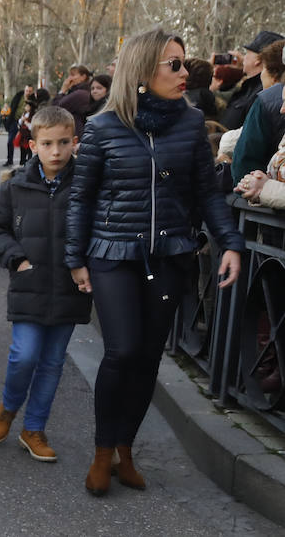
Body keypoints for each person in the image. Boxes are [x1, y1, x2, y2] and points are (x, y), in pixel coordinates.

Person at [66, 28, 244, 496]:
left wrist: (230, 243)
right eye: (175, 64)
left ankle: (126, 449)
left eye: (184, 63)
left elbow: (208, 193)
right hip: (112, 253)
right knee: (122, 350)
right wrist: (75, 258)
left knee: (146, 359)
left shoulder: (190, 124)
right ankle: (102, 453)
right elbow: (81, 199)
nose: (185, 73)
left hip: (169, 254)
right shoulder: (103, 127)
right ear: (143, 72)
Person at [0, 105, 89, 462]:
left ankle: (34, 428)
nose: (56, 151)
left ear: (75, 142)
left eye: (63, 143)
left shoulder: (86, 185)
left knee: (53, 362)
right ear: (32, 145)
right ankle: (9, 408)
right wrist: (17, 258)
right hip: (29, 284)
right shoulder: (16, 187)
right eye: (47, 144)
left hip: (69, 289)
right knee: (24, 355)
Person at [230, 39, 285, 181]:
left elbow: (243, 163)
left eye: (264, 69)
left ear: (273, 74)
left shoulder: (265, 101)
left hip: (259, 193)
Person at [221, 30, 283, 130]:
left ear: (258, 60)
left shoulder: (260, 91)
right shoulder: (249, 86)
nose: (243, 57)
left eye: (247, 53)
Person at [55, 65, 96, 134]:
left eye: (73, 75)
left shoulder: (80, 94)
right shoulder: (81, 91)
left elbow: (56, 108)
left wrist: (63, 90)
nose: (69, 78)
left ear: (83, 77)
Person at [4, 86, 33, 167]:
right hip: (15, 121)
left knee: (26, 145)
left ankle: (26, 162)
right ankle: (9, 160)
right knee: (10, 141)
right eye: (27, 90)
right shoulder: (19, 97)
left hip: (27, 124)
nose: (28, 92)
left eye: (30, 91)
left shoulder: (33, 100)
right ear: (24, 90)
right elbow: (13, 107)